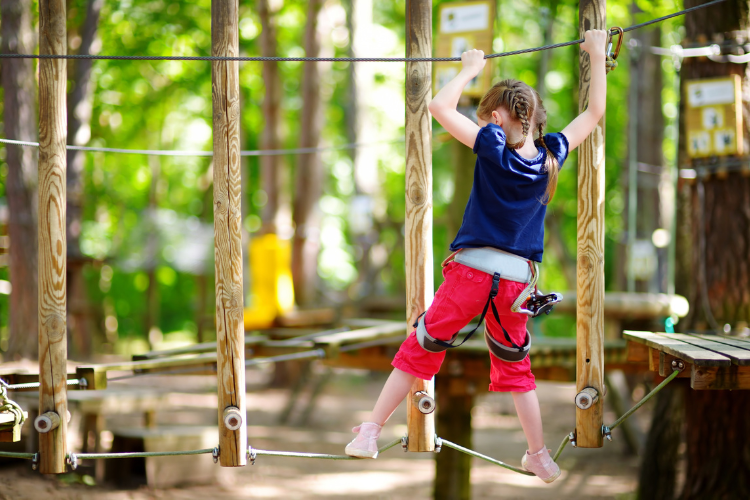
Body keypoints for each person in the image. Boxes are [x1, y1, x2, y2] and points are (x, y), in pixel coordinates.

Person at [345, 29, 608, 483]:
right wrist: (597, 54)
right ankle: (539, 454)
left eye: (489, 115)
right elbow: (595, 111)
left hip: (471, 272)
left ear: (500, 117)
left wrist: (468, 68)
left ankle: (369, 431)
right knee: (516, 366)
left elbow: (439, 108)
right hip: (515, 283)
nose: (485, 121)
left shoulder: (491, 145)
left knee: (420, 347)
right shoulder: (551, 155)